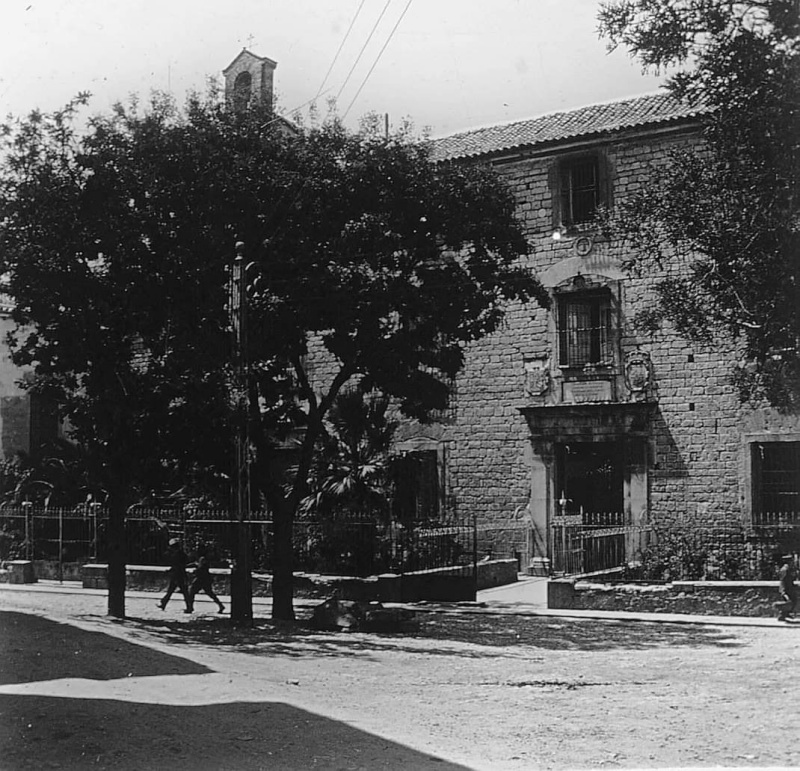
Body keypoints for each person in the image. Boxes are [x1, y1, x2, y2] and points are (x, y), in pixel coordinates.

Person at [158, 538, 193, 613]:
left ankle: (189, 607)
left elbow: (176, 565)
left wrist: (171, 570)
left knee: (181, 591)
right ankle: (164, 603)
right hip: (180, 574)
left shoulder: (176, 554)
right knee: (176, 591)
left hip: (177, 575)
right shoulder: (182, 554)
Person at [189, 547, 225, 614]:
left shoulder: (203, 559)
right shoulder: (203, 559)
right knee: (210, 593)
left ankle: (190, 607)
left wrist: (195, 571)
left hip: (201, 579)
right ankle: (221, 605)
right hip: (205, 579)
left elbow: (202, 569)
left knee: (192, 592)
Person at [776, 554, 797, 622]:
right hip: (785, 589)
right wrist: (783, 591)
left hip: (789, 588)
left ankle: (786, 614)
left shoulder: (789, 569)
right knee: (787, 602)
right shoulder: (785, 569)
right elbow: (783, 580)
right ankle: (782, 615)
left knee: (793, 601)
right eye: (791, 560)